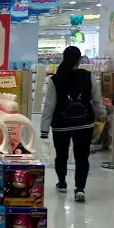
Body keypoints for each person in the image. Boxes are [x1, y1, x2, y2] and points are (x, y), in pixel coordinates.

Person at [40, 46, 106, 203]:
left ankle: (62, 183)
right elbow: (97, 99)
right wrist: (102, 114)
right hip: (84, 123)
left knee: (61, 155)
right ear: (79, 59)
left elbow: (49, 106)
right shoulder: (88, 76)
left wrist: (44, 129)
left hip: (61, 124)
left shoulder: (55, 79)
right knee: (82, 157)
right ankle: (80, 188)